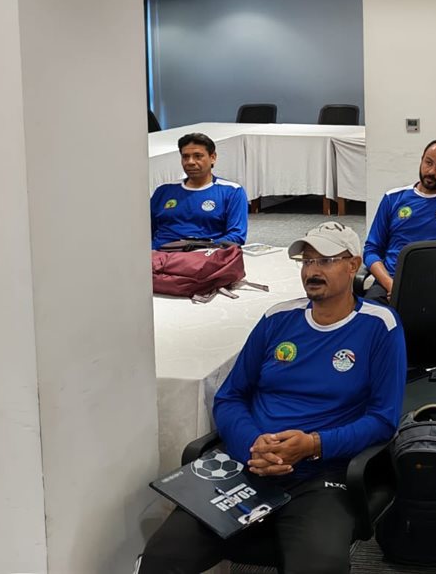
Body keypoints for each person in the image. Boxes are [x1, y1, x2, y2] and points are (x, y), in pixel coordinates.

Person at [137, 221, 407, 574]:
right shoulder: (278, 318)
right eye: (307, 261)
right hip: (249, 464)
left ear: (353, 265)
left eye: (325, 261)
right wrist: (253, 444)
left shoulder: (380, 325)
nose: (312, 271)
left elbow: (383, 419)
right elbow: (230, 397)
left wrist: (313, 444)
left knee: (318, 568)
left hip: (322, 473)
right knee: (161, 557)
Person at [362, 138, 436, 301]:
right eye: (428, 162)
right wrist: (391, 285)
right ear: (421, 160)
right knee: (369, 314)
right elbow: (371, 250)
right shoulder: (393, 198)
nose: (432, 171)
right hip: (390, 282)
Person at [150, 132, 248, 248]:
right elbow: (145, 230)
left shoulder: (232, 191)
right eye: (185, 157)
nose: (190, 162)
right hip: (161, 253)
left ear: (213, 158)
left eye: (198, 156)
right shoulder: (164, 191)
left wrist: (198, 248)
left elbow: (237, 236)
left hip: (205, 253)